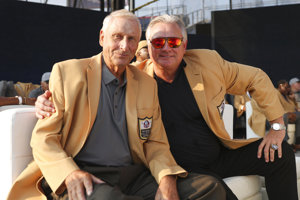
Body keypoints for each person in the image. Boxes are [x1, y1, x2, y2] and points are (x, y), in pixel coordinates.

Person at [35, 14, 298, 200]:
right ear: (147, 47)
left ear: (185, 44)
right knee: (212, 188)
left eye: (173, 42)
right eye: (158, 43)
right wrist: (42, 98)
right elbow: (86, 85)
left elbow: (256, 78)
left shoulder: (208, 63)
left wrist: (276, 126)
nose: (166, 48)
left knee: (280, 153)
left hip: (218, 154)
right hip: (181, 165)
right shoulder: (137, 75)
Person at [8, 10, 226, 200]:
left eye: (132, 39)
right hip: (83, 172)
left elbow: (155, 143)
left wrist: (166, 179)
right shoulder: (68, 73)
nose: (124, 46)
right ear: (102, 38)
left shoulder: (146, 84)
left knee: (209, 188)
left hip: (132, 175)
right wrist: (69, 173)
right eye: (117, 37)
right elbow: (44, 138)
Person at [276, 79, 300, 145]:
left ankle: (298, 142)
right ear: (280, 86)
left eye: (288, 87)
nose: (288, 89)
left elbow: (295, 107)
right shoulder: (276, 93)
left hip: (292, 114)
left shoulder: (286, 95)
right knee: (284, 116)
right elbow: (276, 107)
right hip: (283, 114)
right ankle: (284, 142)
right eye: (286, 87)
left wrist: (293, 99)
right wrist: (288, 113)